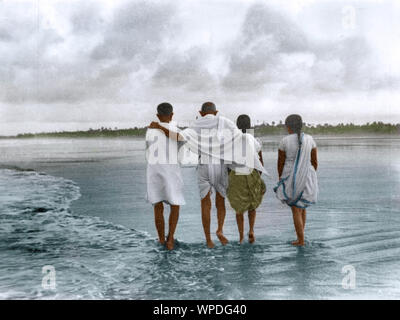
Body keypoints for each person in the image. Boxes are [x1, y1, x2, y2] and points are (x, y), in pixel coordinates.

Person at [149, 102, 267, 248]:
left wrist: (159, 127)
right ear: (216, 112)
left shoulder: (197, 124)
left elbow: (178, 137)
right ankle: (220, 229)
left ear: (201, 112)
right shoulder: (225, 122)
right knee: (220, 201)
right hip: (219, 165)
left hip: (204, 165)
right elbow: (241, 139)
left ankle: (208, 240)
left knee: (205, 203)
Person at [274, 114, 318, 246]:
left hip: (290, 177)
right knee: (302, 208)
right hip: (308, 176)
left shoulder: (285, 141)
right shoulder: (310, 139)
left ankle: (301, 240)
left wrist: (281, 178)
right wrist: (308, 174)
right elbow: (315, 162)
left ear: (288, 127)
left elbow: (280, 163)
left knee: (295, 209)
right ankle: (301, 236)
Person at [146, 102, 185, 250]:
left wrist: (159, 127)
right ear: (172, 115)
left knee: (158, 205)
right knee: (175, 205)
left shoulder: (150, 132)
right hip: (171, 171)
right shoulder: (176, 130)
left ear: (157, 115)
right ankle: (170, 239)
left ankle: (161, 239)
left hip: (154, 171)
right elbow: (180, 140)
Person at [227, 115, 266, 244]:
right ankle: (251, 230)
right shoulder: (254, 140)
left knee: (239, 208)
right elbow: (260, 162)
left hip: (236, 174)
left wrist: (229, 178)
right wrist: (257, 177)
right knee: (252, 205)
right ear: (249, 125)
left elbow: (227, 162)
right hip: (252, 173)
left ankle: (241, 236)